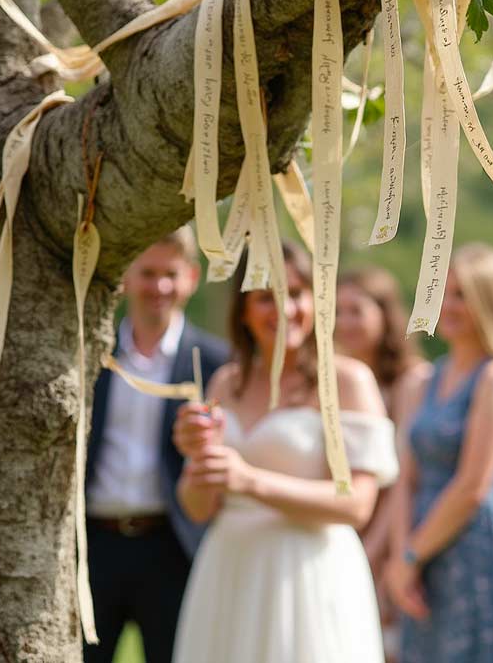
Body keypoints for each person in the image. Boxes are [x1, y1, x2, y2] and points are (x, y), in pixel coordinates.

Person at [170, 242, 398, 663]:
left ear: (314, 299)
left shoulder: (346, 381)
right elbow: (199, 508)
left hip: (308, 575)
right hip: (229, 570)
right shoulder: (225, 383)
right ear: (243, 310)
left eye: (294, 293)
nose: (283, 308)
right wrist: (197, 462)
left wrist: (249, 481)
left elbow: (357, 505)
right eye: (264, 297)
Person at [385, 243, 493, 663]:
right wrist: (402, 559)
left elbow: (474, 484)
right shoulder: (423, 380)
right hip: (421, 545)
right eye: (442, 292)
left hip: (475, 543)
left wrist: (413, 555)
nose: (447, 305)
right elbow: (406, 478)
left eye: (461, 295)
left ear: (488, 303)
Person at [84, 227, 228, 663]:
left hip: (172, 545)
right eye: (147, 273)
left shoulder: (216, 360)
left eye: (170, 274)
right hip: (94, 546)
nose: (159, 287)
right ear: (127, 276)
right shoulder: (93, 349)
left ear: (191, 278)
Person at [336, 267, 432, 660]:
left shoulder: (413, 382)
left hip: (393, 540)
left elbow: (403, 480)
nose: (344, 322)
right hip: (339, 534)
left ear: (384, 314)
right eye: (336, 311)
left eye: (356, 310)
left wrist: (373, 552)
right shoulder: (326, 385)